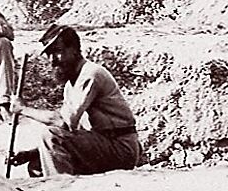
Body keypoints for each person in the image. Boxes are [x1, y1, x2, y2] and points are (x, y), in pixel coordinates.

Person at [8, 24, 142, 177]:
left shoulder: (91, 74)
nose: (52, 60)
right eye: (49, 54)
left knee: (51, 135)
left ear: (74, 49)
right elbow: (71, 131)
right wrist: (33, 153)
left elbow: (61, 123)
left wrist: (23, 109)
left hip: (121, 149)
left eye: (58, 51)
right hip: (102, 145)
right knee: (38, 165)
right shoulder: (71, 84)